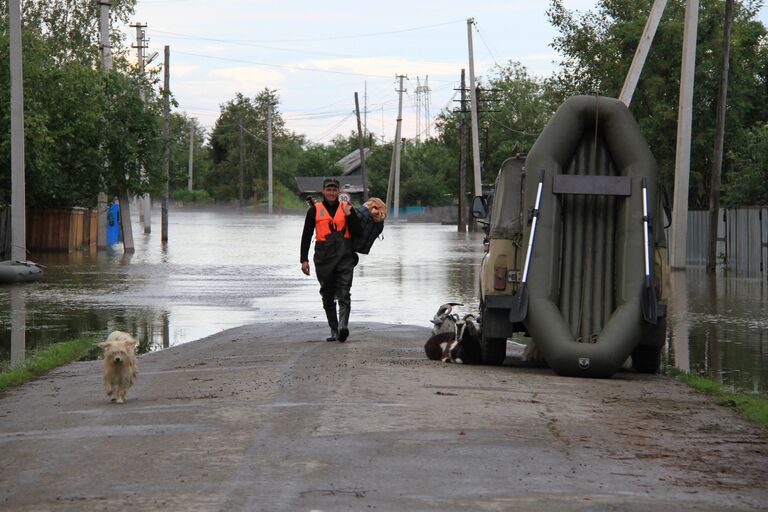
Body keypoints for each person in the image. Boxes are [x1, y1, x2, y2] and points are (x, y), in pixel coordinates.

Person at [300, 177, 361, 342]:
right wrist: (303, 259)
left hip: (345, 256)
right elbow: (306, 235)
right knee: (327, 295)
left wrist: (350, 216)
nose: (332, 193)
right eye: (329, 189)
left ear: (339, 192)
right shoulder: (314, 210)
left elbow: (358, 232)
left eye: (334, 190)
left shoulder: (347, 208)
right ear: (323, 191)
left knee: (344, 292)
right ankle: (334, 329)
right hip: (323, 258)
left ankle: (343, 327)